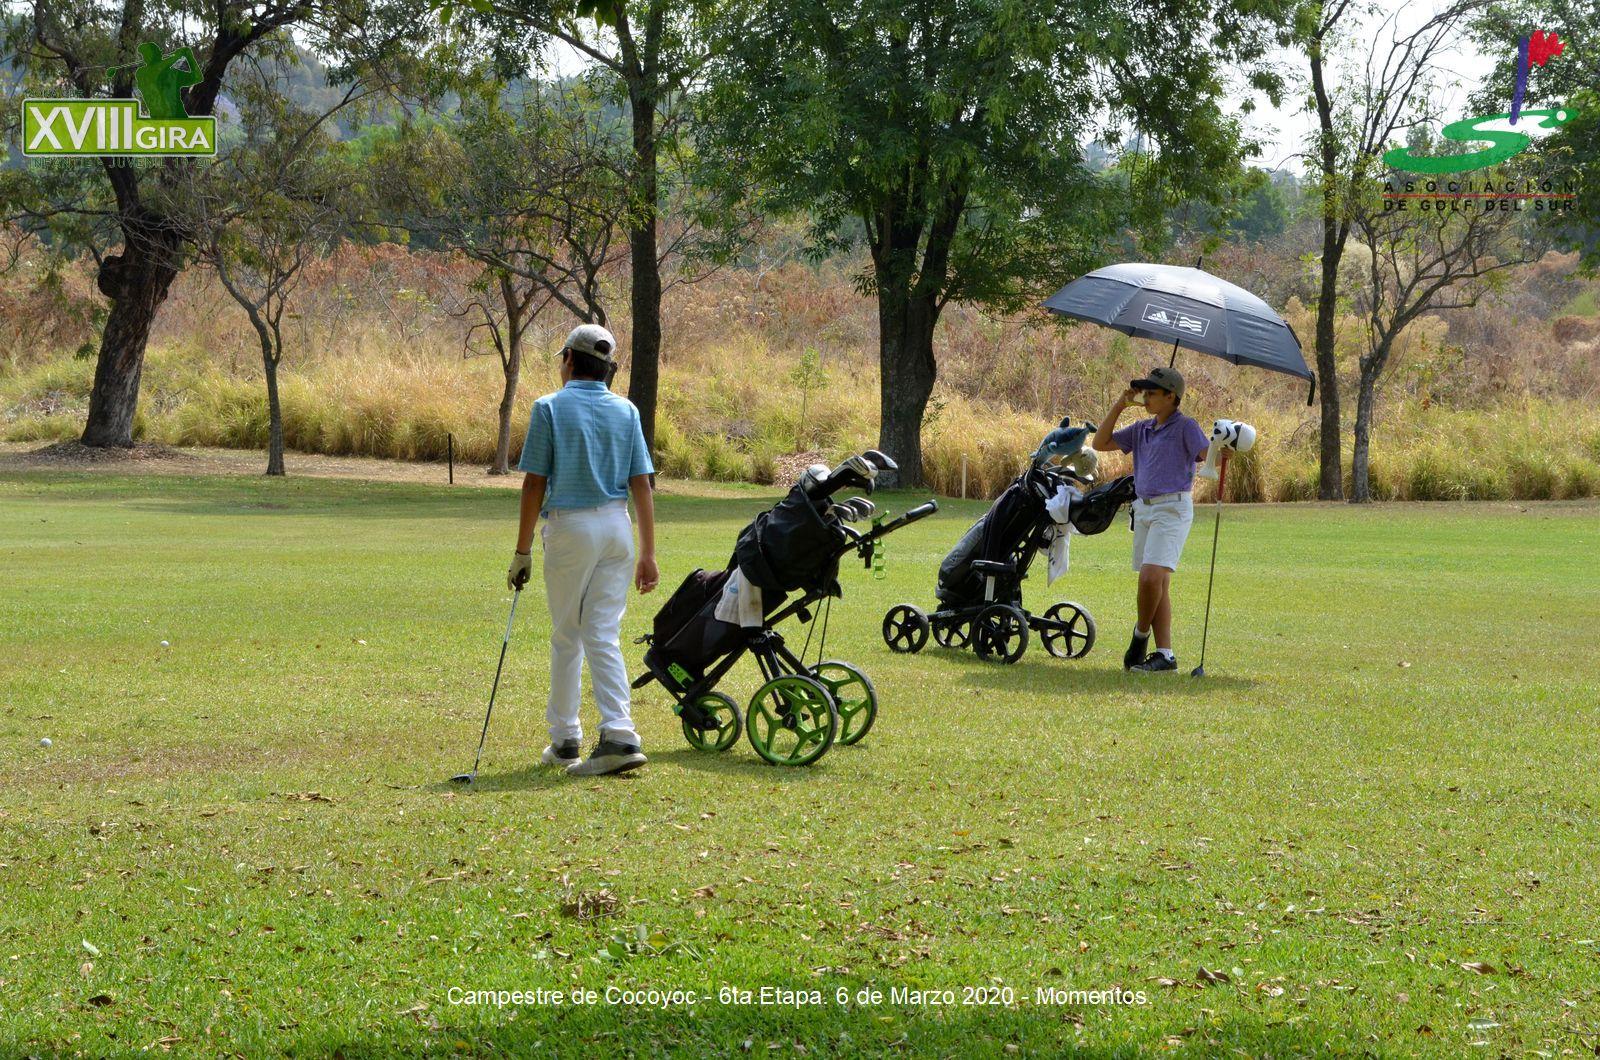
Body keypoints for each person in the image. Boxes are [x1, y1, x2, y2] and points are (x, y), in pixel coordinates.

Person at [507, 324, 659, 776]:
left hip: (571, 528)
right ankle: (619, 731)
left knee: (567, 635)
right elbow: (641, 484)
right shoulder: (627, 410)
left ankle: (566, 738)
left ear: (570, 359)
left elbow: (534, 483)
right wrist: (648, 553)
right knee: (603, 633)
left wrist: (522, 551)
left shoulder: (549, 407)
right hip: (617, 527)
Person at [1091, 365, 1209, 673]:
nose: (1145, 398)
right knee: (1159, 585)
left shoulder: (1186, 426)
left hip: (1172, 509)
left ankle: (1140, 637)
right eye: (1144, 392)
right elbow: (1099, 443)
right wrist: (1119, 405)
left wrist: (1225, 453)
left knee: (1150, 578)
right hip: (1143, 509)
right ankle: (1165, 656)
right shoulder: (1141, 428)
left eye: (1152, 393)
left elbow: (1208, 455)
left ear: (1171, 396)